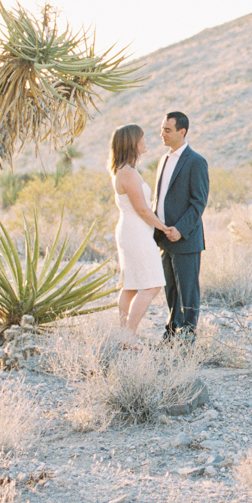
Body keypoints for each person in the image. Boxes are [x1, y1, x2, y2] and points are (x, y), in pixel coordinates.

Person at [109, 124, 172, 346]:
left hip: (133, 230)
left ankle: (124, 336)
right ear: (133, 142)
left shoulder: (124, 170)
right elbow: (142, 210)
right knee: (152, 284)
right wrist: (164, 228)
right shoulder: (128, 173)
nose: (146, 141)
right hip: (135, 232)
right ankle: (128, 336)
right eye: (142, 138)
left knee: (132, 285)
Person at [153, 111, 210, 343]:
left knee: (187, 290)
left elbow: (199, 202)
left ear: (182, 132)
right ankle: (171, 333)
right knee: (171, 290)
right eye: (162, 129)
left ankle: (187, 337)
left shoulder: (196, 161)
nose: (162, 134)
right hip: (164, 238)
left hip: (185, 239)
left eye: (167, 130)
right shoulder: (163, 159)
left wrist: (180, 229)